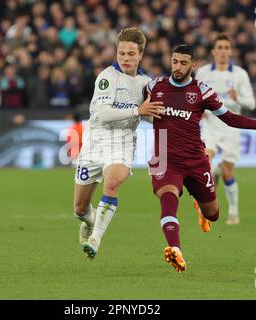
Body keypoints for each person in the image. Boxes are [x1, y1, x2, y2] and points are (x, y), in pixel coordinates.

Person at [145, 44, 256, 272]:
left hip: (196, 160)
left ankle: (200, 206)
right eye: (175, 61)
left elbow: (228, 118)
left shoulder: (202, 91)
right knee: (168, 198)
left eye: (183, 63)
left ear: (193, 65)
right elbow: (133, 104)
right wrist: (139, 110)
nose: (177, 67)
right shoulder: (154, 86)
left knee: (213, 214)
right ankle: (175, 250)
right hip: (165, 159)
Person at [73, 27, 163, 258]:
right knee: (80, 209)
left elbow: (151, 114)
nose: (125, 58)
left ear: (141, 55)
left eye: (131, 54)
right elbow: (103, 114)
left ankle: (96, 239)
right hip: (95, 142)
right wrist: (137, 110)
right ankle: (90, 221)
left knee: (112, 184)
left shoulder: (146, 83)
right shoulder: (107, 77)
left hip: (122, 142)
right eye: (121, 53)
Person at [195, 33, 256, 225]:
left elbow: (252, 103)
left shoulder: (239, 74)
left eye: (226, 48)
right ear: (213, 51)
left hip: (231, 127)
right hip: (210, 125)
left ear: (230, 51)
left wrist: (238, 98)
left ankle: (233, 212)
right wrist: (200, 110)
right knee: (206, 160)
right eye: (219, 47)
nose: (222, 51)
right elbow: (194, 97)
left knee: (228, 171)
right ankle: (206, 208)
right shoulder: (203, 73)